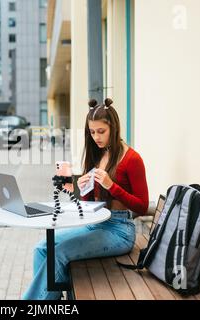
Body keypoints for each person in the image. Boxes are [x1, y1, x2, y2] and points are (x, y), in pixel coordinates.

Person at [22, 98, 149, 300]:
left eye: (101, 131)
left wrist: (111, 186)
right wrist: (84, 189)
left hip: (120, 230)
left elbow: (142, 207)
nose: (96, 137)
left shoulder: (132, 159)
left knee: (59, 253)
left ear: (113, 128)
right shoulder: (99, 154)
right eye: (92, 132)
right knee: (41, 249)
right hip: (95, 224)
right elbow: (91, 204)